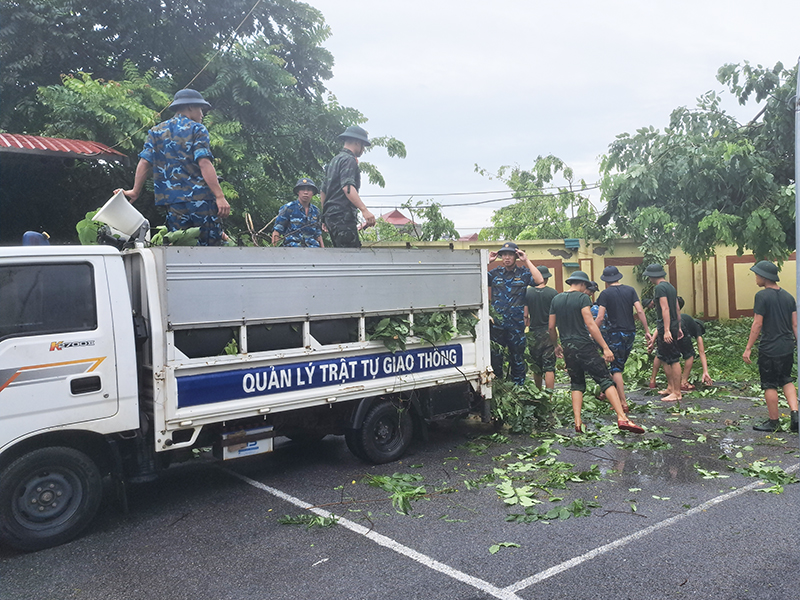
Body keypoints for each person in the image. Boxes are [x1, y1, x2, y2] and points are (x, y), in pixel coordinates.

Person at [120, 89, 230, 246]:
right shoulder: (197, 129)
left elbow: (144, 162)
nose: (202, 114)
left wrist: (135, 191)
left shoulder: (156, 131)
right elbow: (204, 163)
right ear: (190, 107)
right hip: (201, 200)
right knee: (212, 247)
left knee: (181, 247)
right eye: (201, 109)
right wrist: (219, 196)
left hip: (173, 204)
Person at [549, 270, 645, 434]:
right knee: (605, 380)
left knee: (576, 383)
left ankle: (578, 423)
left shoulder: (556, 299)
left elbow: (551, 327)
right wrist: (605, 348)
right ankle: (622, 417)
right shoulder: (582, 298)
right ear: (582, 284)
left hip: (568, 347)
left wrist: (556, 345)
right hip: (584, 346)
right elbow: (591, 324)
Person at [742, 260, 799, 432]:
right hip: (787, 346)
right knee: (786, 379)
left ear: (764, 277)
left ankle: (774, 422)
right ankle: (795, 415)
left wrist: (748, 348)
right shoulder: (789, 297)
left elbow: (757, 324)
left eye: (757, 275)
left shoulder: (761, 296)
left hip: (770, 348)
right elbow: (795, 325)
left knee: (769, 384)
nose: (756, 278)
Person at [594, 265, 652, 411]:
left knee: (616, 368)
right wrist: (646, 330)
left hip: (615, 333)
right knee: (619, 363)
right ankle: (606, 392)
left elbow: (600, 317)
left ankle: (622, 402)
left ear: (606, 281)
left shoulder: (605, 294)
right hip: (630, 332)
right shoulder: (631, 290)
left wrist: (591, 332)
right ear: (618, 277)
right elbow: (639, 310)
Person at [488, 242, 544, 385]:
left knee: (517, 360)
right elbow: (475, 278)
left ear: (516, 256)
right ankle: (499, 389)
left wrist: (526, 260)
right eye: (504, 255)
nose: (506, 258)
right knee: (495, 359)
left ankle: (518, 391)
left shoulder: (523, 274)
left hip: (516, 326)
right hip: (497, 326)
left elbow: (539, 280)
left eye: (510, 255)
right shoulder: (495, 273)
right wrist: (486, 262)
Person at [320, 125, 376, 248]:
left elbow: (323, 192)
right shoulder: (349, 160)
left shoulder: (334, 161)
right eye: (363, 146)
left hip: (331, 218)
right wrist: (364, 210)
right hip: (343, 216)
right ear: (357, 142)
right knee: (351, 256)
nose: (363, 150)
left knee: (341, 254)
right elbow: (348, 187)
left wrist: (324, 216)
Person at [646, 297, 711, 392]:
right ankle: (683, 382)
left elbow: (660, 326)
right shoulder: (696, 327)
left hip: (667, 328)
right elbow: (701, 352)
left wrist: (652, 340)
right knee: (689, 355)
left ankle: (654, 381)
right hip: (681, 329)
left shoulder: (678, 316)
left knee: (662, 355)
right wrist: (705, 371)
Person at [643, 263, 683, 402]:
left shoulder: (660, 288)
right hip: (671, 325)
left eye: (649, 277)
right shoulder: (670, 287)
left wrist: (667, 330)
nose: (649, 279)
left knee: (673, 359)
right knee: (665, 358)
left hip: (666, 327)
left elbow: (665, 308)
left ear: (652, 276)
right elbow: (677, 308)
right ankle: (671, 388)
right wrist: (678, 327)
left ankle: (677, 392)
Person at [524, 265, 558, 392]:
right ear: (547, 278)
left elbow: (525, 315)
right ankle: (549, 396)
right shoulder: (553, 293)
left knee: (536, 366)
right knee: (549, 367)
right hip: (548, 332)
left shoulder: (528, 292)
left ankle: (537, 393)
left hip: (533, 333)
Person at [272, 178, 324, 247]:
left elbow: (318, 235)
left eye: (309, 190)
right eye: (302, 189)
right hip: (291, 249)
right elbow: (277, 232)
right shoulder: (288, 208)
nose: (306, 192)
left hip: (312, 249)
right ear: (298, 192)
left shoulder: (316, 211)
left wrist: (323, 251)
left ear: (313, 193)